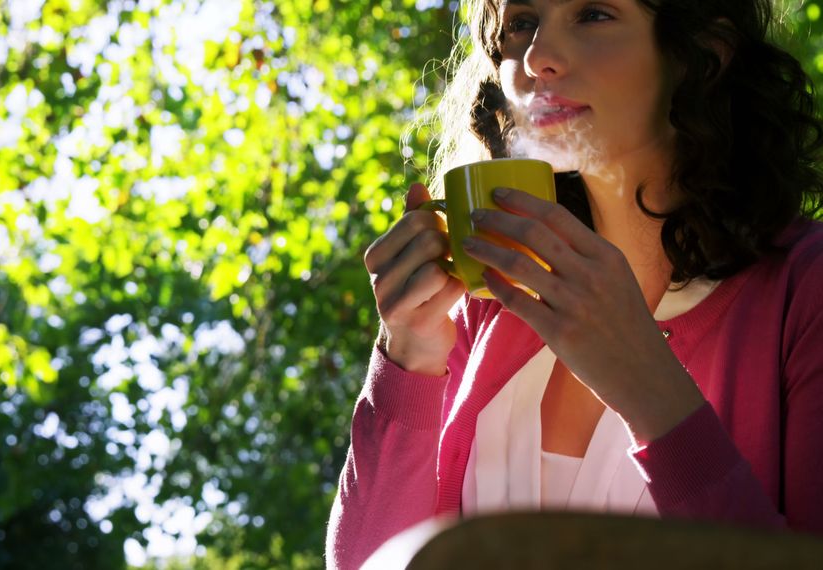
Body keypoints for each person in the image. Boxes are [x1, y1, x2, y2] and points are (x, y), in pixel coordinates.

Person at [327, 0, 823, 568]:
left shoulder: (805, 289)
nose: (538, 56)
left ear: (702, 53)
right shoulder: (483, 309)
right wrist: (410, 357)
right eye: (520, 23)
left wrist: (648, 388)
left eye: (592, 14)